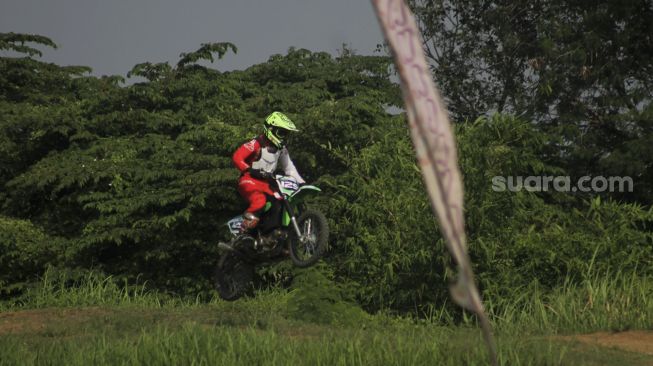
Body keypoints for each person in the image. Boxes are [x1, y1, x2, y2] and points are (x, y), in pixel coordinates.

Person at [232, 111, 305, 232]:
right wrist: (248, 169)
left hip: (267, 183)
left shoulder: (281, 150)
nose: (284, 137)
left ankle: (271, 234)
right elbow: (237, 157)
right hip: (249, 180)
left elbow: (289, 168)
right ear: (270, 129)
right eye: (282, 133)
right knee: (259, 200)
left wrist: (302, 183)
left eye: (286, 134)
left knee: (280, 202)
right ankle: (243, 230)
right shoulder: (256, 143)